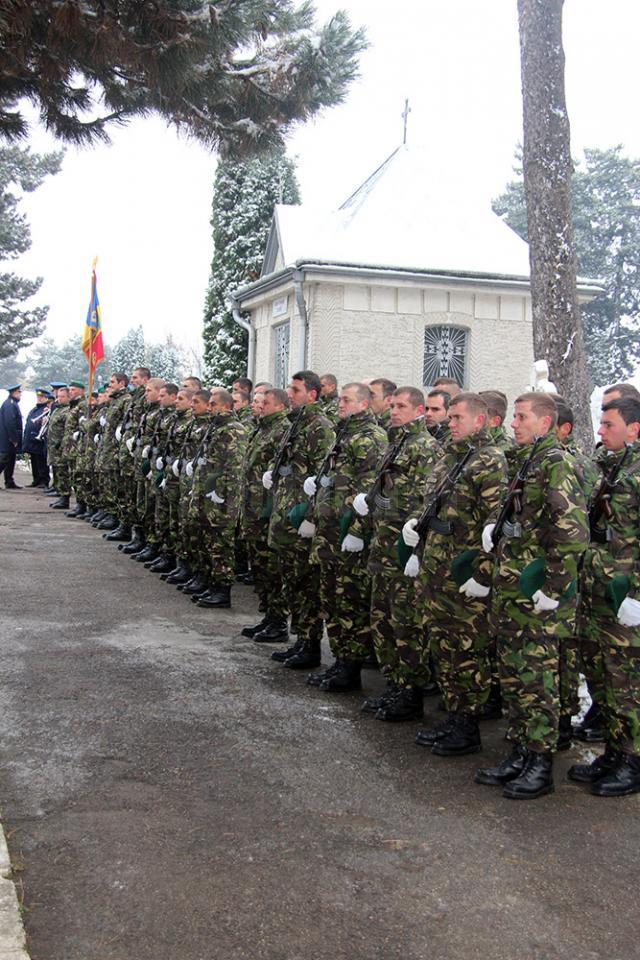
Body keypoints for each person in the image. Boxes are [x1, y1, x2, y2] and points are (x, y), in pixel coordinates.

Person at [476, 393, 588, 799]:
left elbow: (572, 536)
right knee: (515, 678)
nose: (513, 424)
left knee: (536, 681)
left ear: (545, 423)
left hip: (537, 598)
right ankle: (522, 752)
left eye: (521, 417)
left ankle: (539, 765)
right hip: (513, 592)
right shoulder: (528, 460)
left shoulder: (557, 463)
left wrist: (552, 591)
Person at [402, 393, 508, 754]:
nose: (450, 423)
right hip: (436, 567)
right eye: (450, 418)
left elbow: (497, 526)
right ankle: (454, 714)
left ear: (480, 421)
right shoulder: (451, 455)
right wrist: (417, 538)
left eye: (457, 418)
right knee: (443, 643)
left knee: (466, 647)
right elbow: (431, 502)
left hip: (462, 570)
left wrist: (481, 573)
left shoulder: (489, 460)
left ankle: (468, 725)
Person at [568, 396, 640, 796]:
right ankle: (615, 750)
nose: (600, 431)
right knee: (601, 676)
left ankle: (634, 759)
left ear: (634, 428)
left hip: (625, 597)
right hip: (596, 591)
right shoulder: (609, 465)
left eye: (608, 425)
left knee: (628, 682)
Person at [356, 386, 440, 721]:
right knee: (383, 621)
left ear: (419, 411)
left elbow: (426, 502)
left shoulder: (425, 448)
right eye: (392, 406)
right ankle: (394, 686)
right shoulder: (395, 442)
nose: (393, 411)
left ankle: (411, 693)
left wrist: (417, 549)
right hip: (383, 545)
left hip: (404, 551)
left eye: (402, 406)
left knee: (406, 624)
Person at [304, 382, 388, 691]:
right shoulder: (344, 432)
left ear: (364, 405)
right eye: (340, 398)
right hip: (329, 532)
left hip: (347, 534)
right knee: (331, 599)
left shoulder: (370, 438)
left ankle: (350, 666)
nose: (340, 403)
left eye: (347, 400)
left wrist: (356, 532)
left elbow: (368, 494)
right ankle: (339, 660)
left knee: (349, 600)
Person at [264, 370, 335, 668]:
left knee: (307, 586)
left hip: (301, 520)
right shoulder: (295, 425)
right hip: (284, 516)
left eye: (295, 389)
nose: (289, 394)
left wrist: (309, 516)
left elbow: (326, 477)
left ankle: (310, 645)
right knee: (292, 582)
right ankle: (301, 640)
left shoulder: (320, 427)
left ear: (313, 394)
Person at [240, 387, 291, 640]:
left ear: (280, 406)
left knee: (271, 567)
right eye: (257, 402)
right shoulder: (261, 428)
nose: (258, 406)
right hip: (252, 507)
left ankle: (279, 621)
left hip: (267, 509)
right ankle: (268, 615)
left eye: (264, 402)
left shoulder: (282, 429)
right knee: (259, 566)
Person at [22, 388, 53, 487]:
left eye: (42, 397)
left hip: (39, 441)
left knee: (41, 462)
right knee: (34, 462)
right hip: (32, 440)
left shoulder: (46, 409)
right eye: (38, 397)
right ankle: (36, 479)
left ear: (46, 398)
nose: (39, 399)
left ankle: (44, 480)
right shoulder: (35, 409)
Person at [0, 385, 23, 489]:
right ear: (13, 393)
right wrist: (13, 438)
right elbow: (10, 422)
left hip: (8, 437)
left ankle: (9, 481)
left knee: (10, 460)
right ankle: (9, 480)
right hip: (7, 438)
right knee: (4, 459)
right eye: (19, 392)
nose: (20, 394)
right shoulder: (10, 404)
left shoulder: (12, 404)